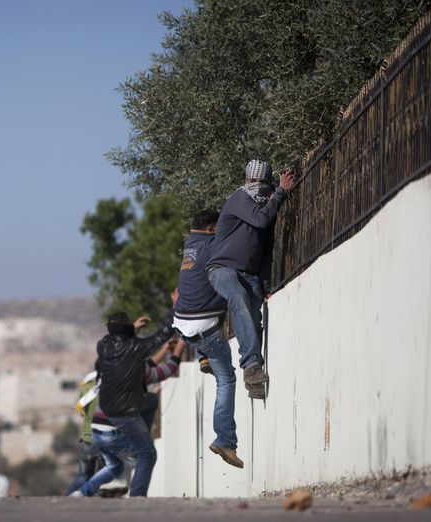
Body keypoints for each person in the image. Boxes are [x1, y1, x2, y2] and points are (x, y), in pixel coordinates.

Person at [206, 159, 294, 398]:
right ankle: (252, 366)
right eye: (251, 180)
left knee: (255, 320)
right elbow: (260, 219)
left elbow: (266, 250)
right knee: (238, 296)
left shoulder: (267, 207)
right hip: (222, 269)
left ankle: (254, 382)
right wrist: (281, 192)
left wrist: (264, 284)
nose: (254, 184)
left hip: (250, 273)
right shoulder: (240, 197)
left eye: (259, 181)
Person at [173, 209, 245, 468]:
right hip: (203, 328)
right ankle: (225, 439)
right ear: (211, 229)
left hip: (181, 324)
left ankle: (204, 358)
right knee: (226, 380)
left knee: (205, 320)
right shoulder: (214, 246)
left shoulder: (190, 244)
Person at [73, 334, 185, 497]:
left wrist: (165, 349)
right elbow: (165, 370)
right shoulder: (134, 370)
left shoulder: (110, 367)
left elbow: (148, 366)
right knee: (147, 454)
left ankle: (81, 493)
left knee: (114, 467)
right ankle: (136, 496)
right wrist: (181, 345)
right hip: (113, 429)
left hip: (96, 431)